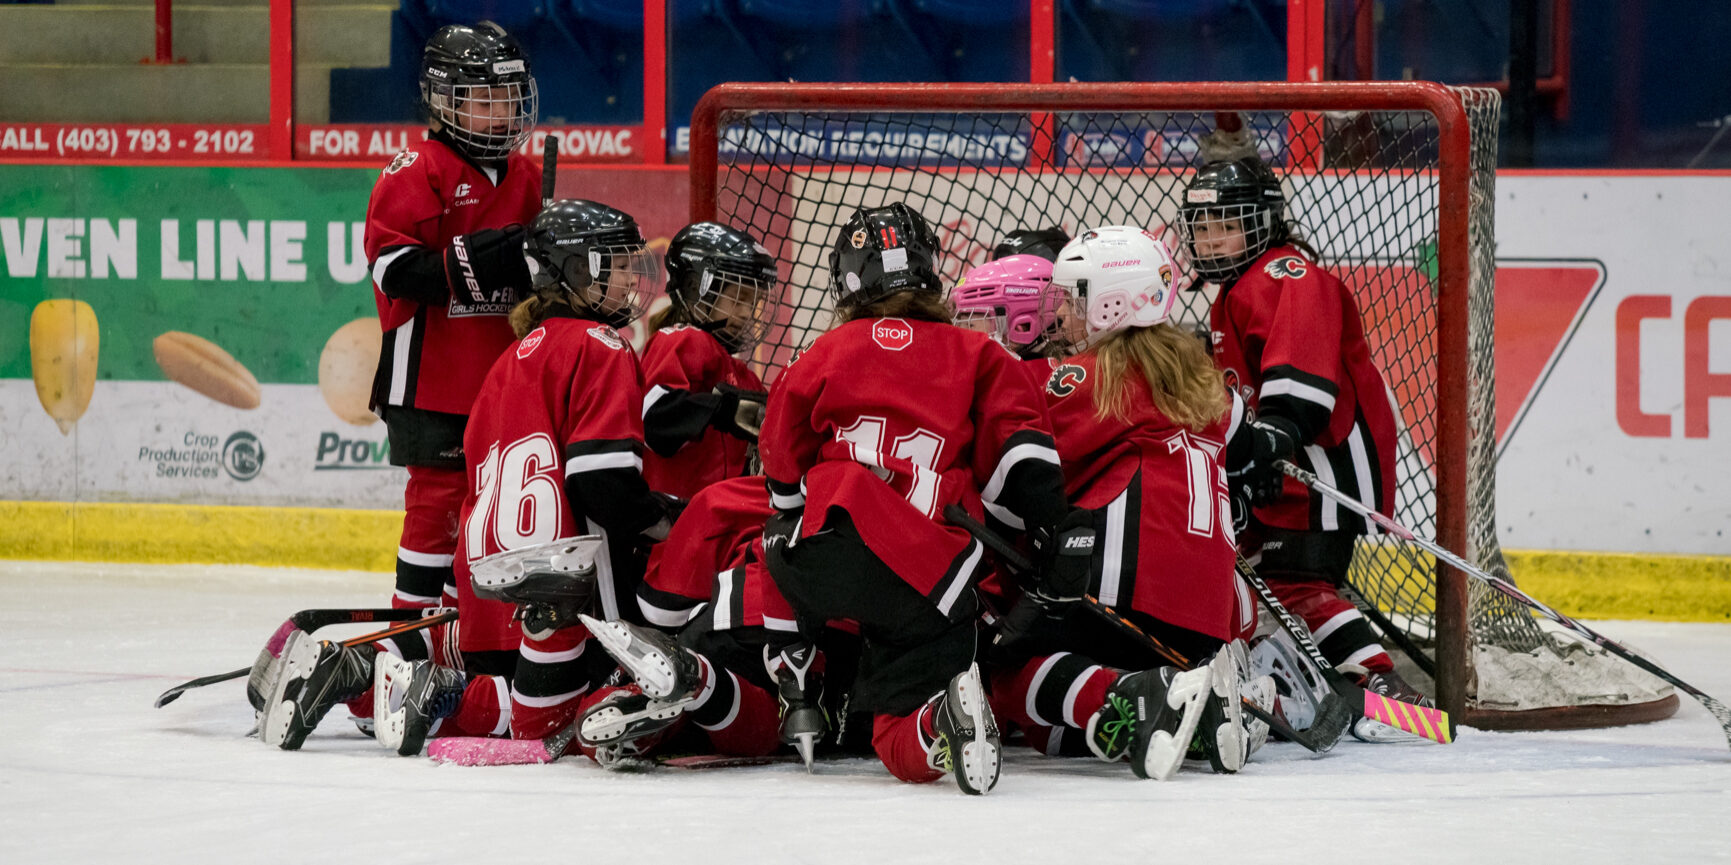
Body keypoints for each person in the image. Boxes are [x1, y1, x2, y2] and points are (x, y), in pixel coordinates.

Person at [266, 200, 671, 753]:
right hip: (557, 603)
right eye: (617, 264)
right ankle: (437, 690)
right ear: (576, 272)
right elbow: (602, 484)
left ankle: (360, 673)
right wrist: (664, 523)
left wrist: (456, 602)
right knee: (578, 717)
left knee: (506, 693)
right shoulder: (602, 347)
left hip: (484, 603)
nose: (632, 277)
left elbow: (475, 500)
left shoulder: (502, 366)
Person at [758, 202, 1074, 795]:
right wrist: (1055, 533)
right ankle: (941, 716)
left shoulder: (820, 354)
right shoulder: (980, 354)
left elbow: (780, 475)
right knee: (895, 730)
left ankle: (796, 681)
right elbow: (1026, 464)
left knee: (777, 534)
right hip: (937, 574)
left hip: (841, 558)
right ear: (931, 270)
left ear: (850, 281)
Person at [984, 226, 1261, 780]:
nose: (1059, 316)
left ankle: (1134, 692)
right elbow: (1241, 438)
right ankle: (1203, 709)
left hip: (1131, 602)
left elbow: (1013, 483)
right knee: (1054, 737)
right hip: (1210, 617)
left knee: (1003, 671)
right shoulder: (1202, 382)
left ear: (1112, 304)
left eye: (1073, 299)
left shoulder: (1092, 380)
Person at [1179, 156, 1424, 723]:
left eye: (1227, 224)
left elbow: (1303, 369)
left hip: (1322, 462)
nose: (1212, 240)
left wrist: (1278, 433)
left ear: (1264, 222)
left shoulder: (1286, 275)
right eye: (1203, 227)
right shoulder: (1237, 289)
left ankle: (1382, 686)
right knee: (1267, 577)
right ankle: (1329, 674)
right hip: (1287, 458)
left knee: (1295, 583)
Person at [364, 21, 542, 617]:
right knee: (437, 508)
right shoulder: (417, 169)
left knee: (489, 509)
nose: (502, 111)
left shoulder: (527, 176)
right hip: (430, 382)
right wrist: (490, 256)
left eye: (509, 96)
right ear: (444, 102)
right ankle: (405, 638)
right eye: (485, 98)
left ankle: (454, 636)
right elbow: (394, 271)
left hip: (500, 385)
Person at [639, 223, 780, 501]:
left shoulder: (744, 376)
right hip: (675, 530)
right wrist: (720, 410)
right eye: (738, 298)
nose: (747, 312)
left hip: (722, 529)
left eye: (754, 302)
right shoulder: (683, 340)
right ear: (696, 288)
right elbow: (654, 419)